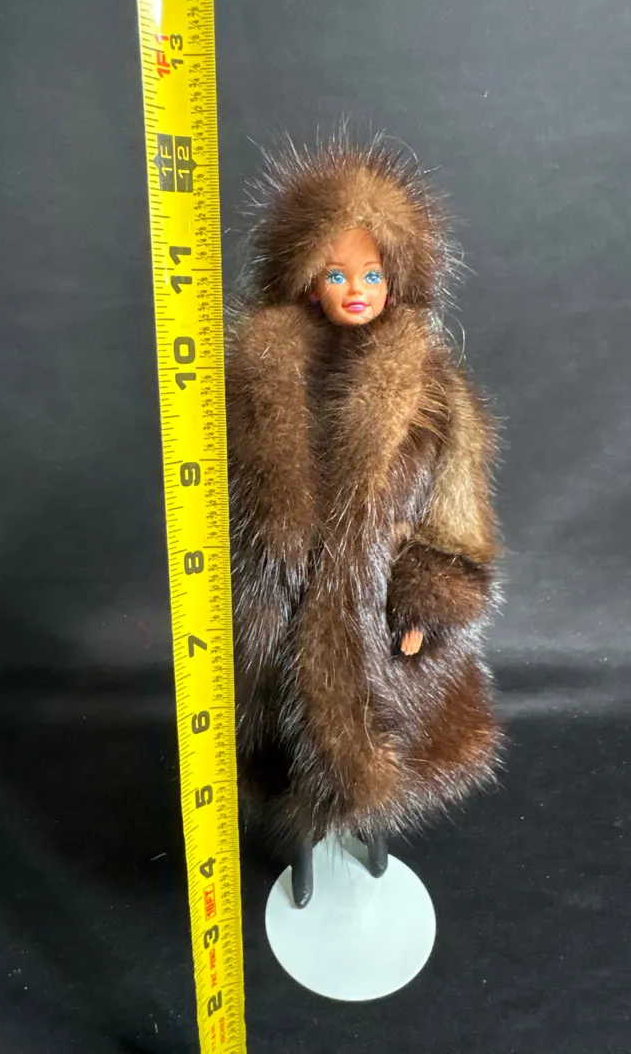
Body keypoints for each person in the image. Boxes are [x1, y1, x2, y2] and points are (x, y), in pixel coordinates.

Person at [226, 135, 503, 907]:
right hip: (274, 623)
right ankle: (301, 870)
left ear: (399, 276)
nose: (356, 288)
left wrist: (429, 599)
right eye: (336, 272)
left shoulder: (434, 387)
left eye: (373, 273)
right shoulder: (254, 382)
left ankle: (374, 852)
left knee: (384, 752)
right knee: (283, 761)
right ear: (304, 277)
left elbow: (458, 503)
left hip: (379, 621)